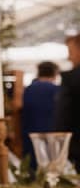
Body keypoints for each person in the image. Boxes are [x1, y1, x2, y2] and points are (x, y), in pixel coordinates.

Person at [22, 61, 59, 170]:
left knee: (32, 168)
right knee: (51, 168)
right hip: (52, 134)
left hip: (30, 135)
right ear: (54, 73)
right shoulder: (56, 90)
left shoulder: (28, 89)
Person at [54, 35, 80, 166]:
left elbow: (63, 115)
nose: (69, 58)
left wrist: (60, 145)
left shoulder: (71, 79)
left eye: (71, 52)